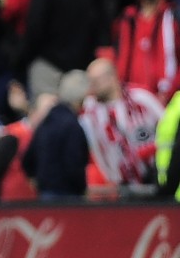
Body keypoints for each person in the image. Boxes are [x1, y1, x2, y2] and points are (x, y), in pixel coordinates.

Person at [80, 57, 164, 190]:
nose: (92, 86)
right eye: (90, 81)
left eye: (96, 81)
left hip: (155, 175)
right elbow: (95, 149)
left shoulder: (141, 99)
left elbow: (167, 125)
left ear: (112, 77)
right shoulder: (91, 113)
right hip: (122, 185)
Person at [22, 70, 90, 199]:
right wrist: (82, 188)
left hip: (45, 193)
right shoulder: (72, 125)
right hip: (68, 195)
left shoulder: (45, 123)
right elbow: (74, 163)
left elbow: (27, 159)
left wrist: (37, 180)